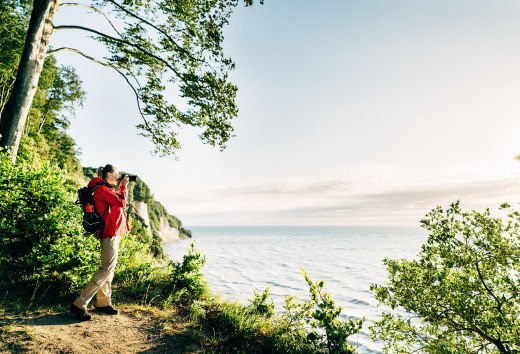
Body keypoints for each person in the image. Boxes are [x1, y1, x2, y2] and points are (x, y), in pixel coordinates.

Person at [70, 164, 130, 321]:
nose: (118, 176)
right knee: (106, 269)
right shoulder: (102, 189)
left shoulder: (105, 188)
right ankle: (79, 304)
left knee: (109, 270)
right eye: (116, 173)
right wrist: (123, 187)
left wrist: (120, 188)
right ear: (109, 174)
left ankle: (103, 302)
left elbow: (116, 204)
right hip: (109, 233)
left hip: (113, 232)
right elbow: (121, 203)